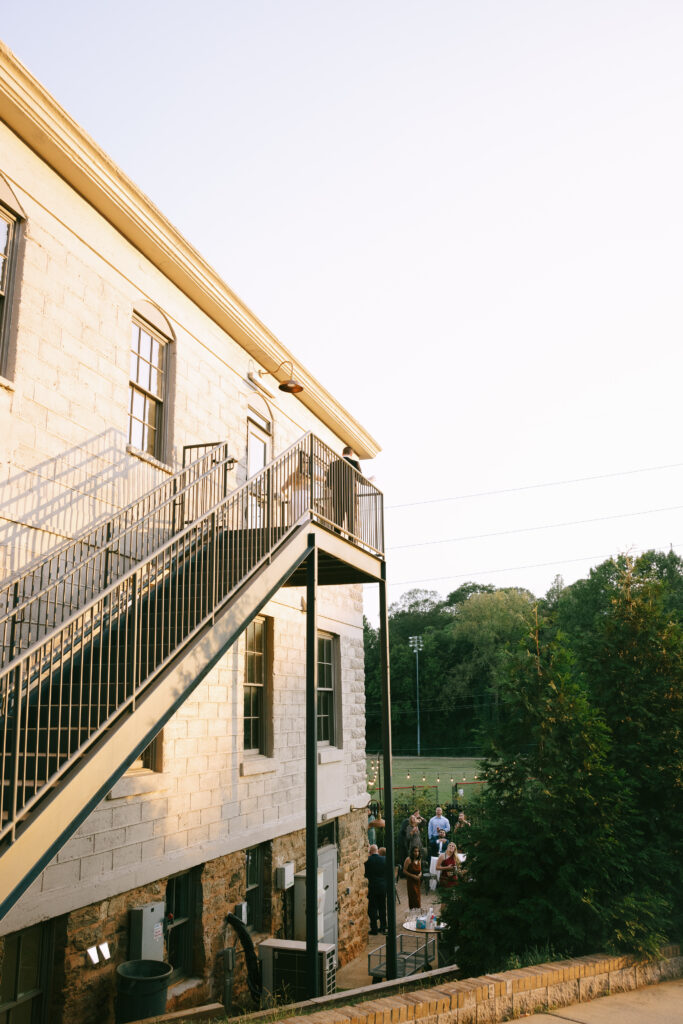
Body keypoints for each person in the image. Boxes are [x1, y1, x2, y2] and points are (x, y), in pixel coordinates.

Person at [326, 445, 361, 536]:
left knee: (337, 518)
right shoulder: (355, 463)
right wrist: (371, 480)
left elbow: (328, 483)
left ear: (342, 453)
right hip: (350, 497)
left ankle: (337, 536)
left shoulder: (333, 464)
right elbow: (361, 479)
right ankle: (352, 539)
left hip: (337, 496)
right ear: (351, 454)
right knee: (351, 519)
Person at [282, 450, 312, 524]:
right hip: (304, 498)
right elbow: (324, 479)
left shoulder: (293, 475)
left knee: (295, 520)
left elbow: (283, 489)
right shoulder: (309, 475)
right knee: (304, 520)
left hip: (294, 498)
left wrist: (288, 496)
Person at [364, 844, 387, 934]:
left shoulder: (368, 861)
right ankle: (383, 927)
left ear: (370, 851)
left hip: (372, 887)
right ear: (377, 850)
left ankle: (374, 929)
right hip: (382, 887)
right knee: (382, 907)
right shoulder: (384, 859)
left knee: (372, 908)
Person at [403, 844, 423, 909]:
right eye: (415, 851)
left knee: (418, 897)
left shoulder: (419, 859)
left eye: (418, 851)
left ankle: (418, 912)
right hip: (411, 881)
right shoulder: (408, 859)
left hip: (417, 881)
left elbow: (420, 870)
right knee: (413, 898)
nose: (416, 853)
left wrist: (420, 874)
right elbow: (404, 871)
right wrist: (413, 876)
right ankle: (412, 913)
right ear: (412, 852)